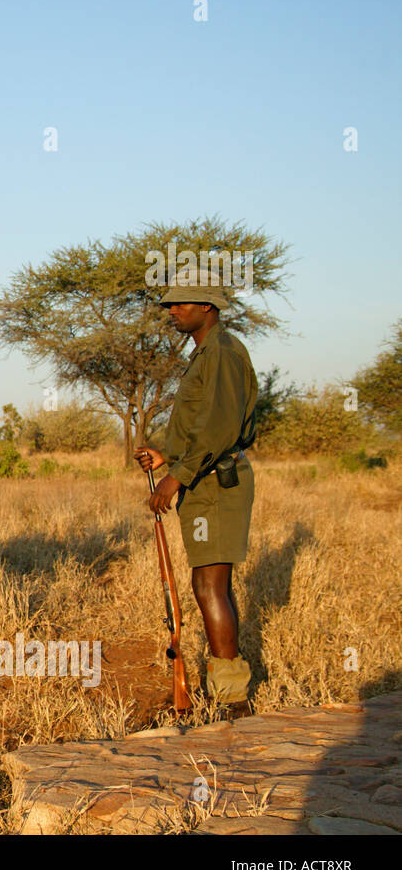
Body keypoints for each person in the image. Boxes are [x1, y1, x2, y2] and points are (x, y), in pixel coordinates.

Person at [135, 286, 258, 717]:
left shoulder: (222, 352)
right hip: (204, 479)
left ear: (207, 307)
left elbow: (221, 428)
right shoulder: (206, 353)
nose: (171, 312)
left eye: (180, 304)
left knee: (209, 585)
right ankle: (226, 688)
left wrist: (176, 476)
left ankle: (232, 699)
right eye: (169, 304)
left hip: (215, 483)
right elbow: (202, 425)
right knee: (209, 583)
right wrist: (169, 456)